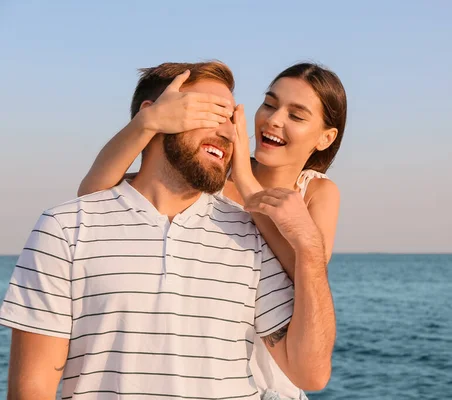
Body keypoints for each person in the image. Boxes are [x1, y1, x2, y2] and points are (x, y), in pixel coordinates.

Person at [0, 61, 336, 400]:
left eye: (231, 119)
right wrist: (146, 123)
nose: (229, 130)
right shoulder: (67, 227)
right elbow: (92, 199)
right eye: (206, 112)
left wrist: (305, 240)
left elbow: (311, 372)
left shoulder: (257, 230)